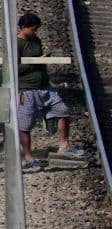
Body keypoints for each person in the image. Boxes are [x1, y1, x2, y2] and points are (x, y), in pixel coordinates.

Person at [16, 12, 84, 172]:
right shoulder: (17, 44)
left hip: (44, 87)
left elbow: (39, 60)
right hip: (27, 90)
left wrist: (43, 59)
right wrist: (38, 61)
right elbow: (15, 68)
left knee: (62, 111)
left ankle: (65, 145)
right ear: (23, 27)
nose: (35, 33)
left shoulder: (36, 41)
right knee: (25, 124)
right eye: (32, 30)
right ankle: (28, 157)